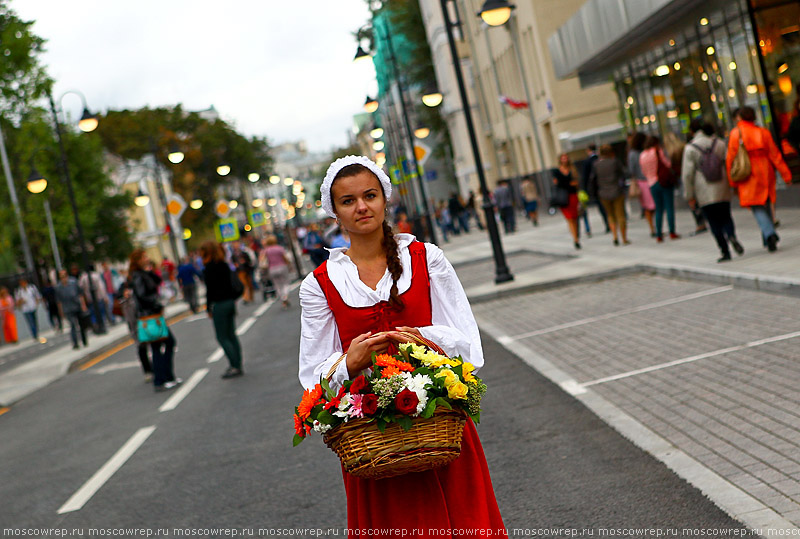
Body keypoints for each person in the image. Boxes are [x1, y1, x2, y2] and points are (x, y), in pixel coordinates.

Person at [299, 155, 504, 533]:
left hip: (438, 421)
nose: (362, 207)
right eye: (348, 201)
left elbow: (469, 344)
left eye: (370, 195)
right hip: (371, 435)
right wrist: (349, 362)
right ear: (335, 214)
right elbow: (313, 373)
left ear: (384, 200)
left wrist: (424, 339)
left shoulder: (426, 259)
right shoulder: (319, 284)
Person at [726, 105, 792, 252]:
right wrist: (786, 174)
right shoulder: (763, 132)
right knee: (766, 202)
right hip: (765, 170)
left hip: (747, 173)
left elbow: (730, 159)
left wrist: (732, 181)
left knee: (756, 206)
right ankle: (768, 239)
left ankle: (769, 233)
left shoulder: (736, 134)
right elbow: (775, 155)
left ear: (740, 117)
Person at [683, 119, 743, 263]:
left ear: (693, 131)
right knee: (726, 215)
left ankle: (725, 251)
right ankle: (732, 235)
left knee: (713, 221)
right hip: (721, 186)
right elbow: (729, 163)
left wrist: (689, 195)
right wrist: (733, 184)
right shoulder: (720, 143)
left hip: (703, 190)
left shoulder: (690, 148)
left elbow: (687, 174)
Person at [129, 249, 181, 392]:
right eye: (144, 257)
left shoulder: (143, 274)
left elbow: (158, 281)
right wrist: (157, 304)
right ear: (138, 260)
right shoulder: (138, 276)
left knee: (161, 346)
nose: (147, 258)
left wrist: (149, 270)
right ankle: (161, 379)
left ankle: (166, 377)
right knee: (164, 345)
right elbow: (142, 296)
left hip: (154, 315)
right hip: (150, 316)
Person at [201, 241, 244, 379]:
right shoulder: (224, 265)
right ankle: (238, 364)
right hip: (230, 302)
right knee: (231, 335)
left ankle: (234, 365)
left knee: (222, 337)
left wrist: (208, 307)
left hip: (219, 305)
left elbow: (210, 291)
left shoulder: (208, 268)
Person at [640, 135, 680, 242]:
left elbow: (643, 171)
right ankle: (672, 231)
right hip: (663, 181)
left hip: (651, 184)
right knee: (669, 206)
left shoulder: (642, 155)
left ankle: (659, 234)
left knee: (658, 209)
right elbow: (667, 164)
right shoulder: (657, 151)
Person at [590, 144, 629, 246]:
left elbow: (593, 180)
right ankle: (624, 238)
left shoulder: (596, 164)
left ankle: (615, 236)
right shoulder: (615, 162)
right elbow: (623, 174)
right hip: (617, 191)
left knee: (610, 215)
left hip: (603, 193)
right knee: (620, 215)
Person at [117, 280, 152, 382]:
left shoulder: (138, 288)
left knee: (149, 346)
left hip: (144, 321)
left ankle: (152, 368)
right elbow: (119, 299)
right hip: (135, 325)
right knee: (141, 347)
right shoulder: (124, 290)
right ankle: (147, 371)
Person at [628, 132, 656, 236]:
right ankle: (655, 226)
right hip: (649, 179)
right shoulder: (647, 151)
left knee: (647, 206)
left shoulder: (632, 154)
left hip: (641, 181)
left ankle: (652, 227)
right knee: (653, 205)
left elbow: (631, 170)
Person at [552, 153, 581, 249]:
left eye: (566, 158)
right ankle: (575, 239)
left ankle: (576, 235)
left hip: (573, 196)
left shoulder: (572, 170)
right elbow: (558, 183)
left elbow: (576, 182)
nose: (564, 160)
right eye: (562, 158)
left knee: (575, 217)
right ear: (560, 160)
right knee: (569, 218)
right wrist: (569, 183)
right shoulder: (556, 171)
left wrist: (569, 184)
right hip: (563, 198)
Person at [55, 269, 87, 350]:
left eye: (64, 276)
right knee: (73, 325)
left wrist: (83, 305)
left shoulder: (73, 282)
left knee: (81, 324)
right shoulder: (58, 287)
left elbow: (80, 294)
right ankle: (75, 343)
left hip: (77, 306)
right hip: (68, 309)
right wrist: (61, 312)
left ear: (67, 276)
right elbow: (59, 301)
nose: (63, 278)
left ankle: (84, 340)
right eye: (61, 277)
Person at [582, 144, 610, 234]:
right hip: (606, 185)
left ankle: (608, 223)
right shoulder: (600, 158)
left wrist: (585, 189)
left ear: (588, 150)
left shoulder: (587, 161)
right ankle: (612, 221)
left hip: (597, 189)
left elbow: (585, 177)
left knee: (602, 207)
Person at [261, 235, 292, 309]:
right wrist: (289, 265)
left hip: (272, 269)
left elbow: (262, 260)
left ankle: (282, 298)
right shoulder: (279, 248)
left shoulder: (266, 250)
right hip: (282, 266)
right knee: (285, 282)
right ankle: (285, 296)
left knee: (277, 284)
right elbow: (285, 257)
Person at [15, 279, 43, 343]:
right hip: (25, 309)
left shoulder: (32, 288)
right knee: (30, 322)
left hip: (33, 307)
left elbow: (37, 296)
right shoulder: (19, 291)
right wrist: (21, 301)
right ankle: (34, 335)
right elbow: (17, 301)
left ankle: (36, 332)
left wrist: (37, 303)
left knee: (35, 321)